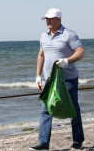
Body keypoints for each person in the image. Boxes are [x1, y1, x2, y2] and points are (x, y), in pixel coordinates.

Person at [30, 8, 86, 150]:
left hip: (68, 79)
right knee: (46, 110)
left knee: (72, 109)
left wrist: (67, 61)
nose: (48, 21)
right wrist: (38, 75)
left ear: (59, 19)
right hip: (49, 81)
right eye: (46, 19)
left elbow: (81, 52)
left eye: (51, 19)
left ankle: (78, 141)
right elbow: (41, 55)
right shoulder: (44, 36)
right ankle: (43, 143)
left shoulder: (69, 35)